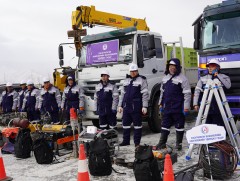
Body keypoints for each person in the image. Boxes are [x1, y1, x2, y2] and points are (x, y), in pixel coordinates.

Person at [157, 58, 191, 151]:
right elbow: (162, 93)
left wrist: (186, 107)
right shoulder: (165, 78)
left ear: (177, 68)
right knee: (165, 125)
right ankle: (162, 143)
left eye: (174, 66)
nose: (171, 68)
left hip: (178, 107)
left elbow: (187, 94)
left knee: (179, 126)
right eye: (170, 66)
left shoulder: (183, 78)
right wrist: (160, 104)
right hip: (167, 107)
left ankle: (178, 144)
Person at [118, 63, 149, 147]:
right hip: (126, 107)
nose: (133, 73)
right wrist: (120, 105)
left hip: (136, 107)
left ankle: (137, 143)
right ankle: (126, 141)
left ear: (137, 71)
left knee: (137, 126)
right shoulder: (126, 80)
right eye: (131, 71)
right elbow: (122, 94)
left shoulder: (142, 80)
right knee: (125, 125)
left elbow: (145, 94)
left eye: (134, 71)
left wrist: (144, 106)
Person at [193, 59, 231, 127]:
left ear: (217, 68)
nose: (210, 68)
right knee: (207, 127)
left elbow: (228, 86)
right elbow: (197, 91)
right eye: (209, 66)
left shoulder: (224, 77)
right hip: (206, 108)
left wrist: (217, 76)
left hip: (219, 108)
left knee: (219, 127)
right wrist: (195, 104)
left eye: (212, 66)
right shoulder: (203, 78)